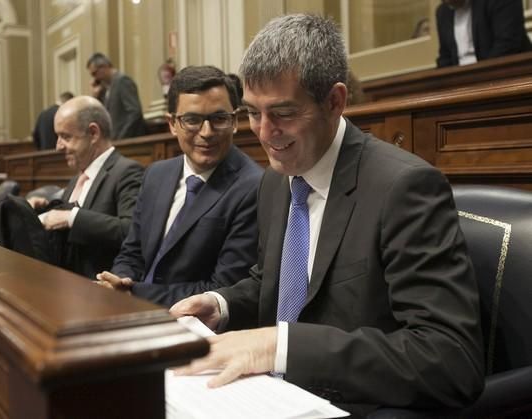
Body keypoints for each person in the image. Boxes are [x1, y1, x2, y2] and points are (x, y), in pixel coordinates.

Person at [170, 14, 484, 415]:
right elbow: (277, 282)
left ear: (335, 101)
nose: (265, 133)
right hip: (270, 399)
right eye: (252, 113)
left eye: (283, 113)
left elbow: (450, 359)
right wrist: (222, 303)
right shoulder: (273, 182)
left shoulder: (404, 189)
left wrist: (279, 346)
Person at [96, 66, 262, 307]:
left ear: (234, 121)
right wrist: (118, 282)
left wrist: (135, 294)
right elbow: (132, 252)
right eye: (192, 120)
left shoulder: (253, 186)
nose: (206, 133)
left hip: (195, 324)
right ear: (172, 123)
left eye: (219, 119)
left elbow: (222, 287)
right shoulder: (156, 174)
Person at [29, 96, 144, 279]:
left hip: (99, 286)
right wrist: (43, 209)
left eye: (65, 137)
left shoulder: (127, 171)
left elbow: (130, 230)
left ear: (93, 133)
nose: (58, 147)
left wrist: (71, 218)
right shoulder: (77, 178)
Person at [436, 0, 532, 67]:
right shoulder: (443, 12)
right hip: (462, 85)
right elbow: (445, 57)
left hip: (508, 76)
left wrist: (476, 77)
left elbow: (507, 45)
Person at [86, 52, 147, 139]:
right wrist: (95, 97)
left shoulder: (123, 81)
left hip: (128, 140)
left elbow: (135, 112)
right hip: (115, 139)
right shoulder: (105, 89)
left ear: (103, 67)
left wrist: (122, 137)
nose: (94, 78)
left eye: (94, 74)